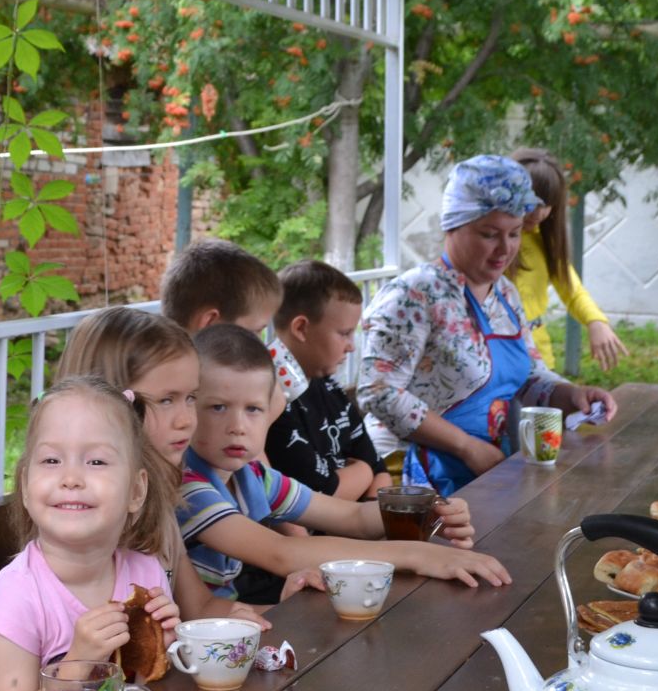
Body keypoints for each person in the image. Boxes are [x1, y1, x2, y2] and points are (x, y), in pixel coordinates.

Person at [178, 325, 507, 598]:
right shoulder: (187, 487)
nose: (238, 425)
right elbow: (280, 553)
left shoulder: (255, 476)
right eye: (218, 407)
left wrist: (426, 508)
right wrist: (418, 555)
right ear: (188, 407)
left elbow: (354, 518)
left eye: (253, 409)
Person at [358, 154, 619, 498]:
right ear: (452, 226)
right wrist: (466, 447)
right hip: (410, 480)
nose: (505, 249)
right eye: (489, 234)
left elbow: (529, 375)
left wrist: (571, 395)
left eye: (514, 234)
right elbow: (379, 391)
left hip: (485, 470)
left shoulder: (505, 295)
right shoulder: (415, 294)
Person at [55, 305, 297, 623]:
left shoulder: (158, 496)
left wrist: (288, 610)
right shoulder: (74, 513)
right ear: (106, 401)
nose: (187, 420)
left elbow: (200, 608)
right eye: (167, 400)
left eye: (191, 398)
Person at [0, 377, 182, 691]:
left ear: (136, 490)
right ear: (25, 486)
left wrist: (162, 648)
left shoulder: (145, 573)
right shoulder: (15, 597)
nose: (71, 478)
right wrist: (79, 660)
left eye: (97, 461)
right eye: (51, 460)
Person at [264, 262, 390, 504]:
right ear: (301, 328)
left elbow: (379, 469)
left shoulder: (329, 386)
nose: (352, 346)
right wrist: (362, 472)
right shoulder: (273, 399)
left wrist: (373, 516)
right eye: (344, 333)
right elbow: (320, 495)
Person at [160, 237, 309, 420]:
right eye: (255, 331)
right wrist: (266, 417)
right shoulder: (178, 394)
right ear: (210, 323)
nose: (260, 343)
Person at [510, 147, 627, 372]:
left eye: (547, 204)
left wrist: (596, 322)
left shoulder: (544, 241)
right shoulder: (488, 244)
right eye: (531, 203)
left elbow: (572, 290)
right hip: (493, 359)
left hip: (537, 360)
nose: (538, 213)